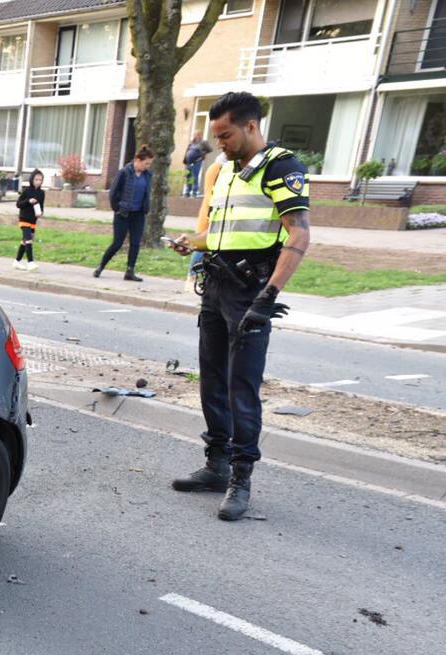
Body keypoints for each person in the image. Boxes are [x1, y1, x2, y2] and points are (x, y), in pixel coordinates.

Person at [169, 91, 311, 521]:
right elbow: (220, 233)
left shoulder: (282, 167)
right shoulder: (226, 171)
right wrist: (190, 242)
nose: (221, 144)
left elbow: (299, 236)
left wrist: (267, 299)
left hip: (249, 292)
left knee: (241, 387)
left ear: (250, 126)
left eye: (226, 135)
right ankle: (217, 464)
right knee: (211, 378)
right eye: (216, 136)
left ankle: (241, 478)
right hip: (215, 283)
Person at [95, 146, 154, 281]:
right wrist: (117, 208)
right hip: (123, 213)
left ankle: (129, 271)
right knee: (117, 243)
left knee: (135, 243)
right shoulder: (125, 172)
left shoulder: (147, 175)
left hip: (138, 214)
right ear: (138, 160)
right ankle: (101, 267)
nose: (148, 166)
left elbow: (146, 193)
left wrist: (146, 207)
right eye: (146, 163)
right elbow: (113, 192)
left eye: (149, 164)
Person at [14, 169, 46, 272]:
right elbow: (18, 204)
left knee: (24, 242)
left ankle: (17, 261)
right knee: (28, 240)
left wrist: (40, 213)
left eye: (40, 180)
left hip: (33, 221)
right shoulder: (27, 191)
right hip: (24, 219)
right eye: (36, 179)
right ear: (32, 179)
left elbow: (41, 207)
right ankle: (30, 262)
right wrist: (28, 201)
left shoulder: (42, 193)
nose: (38, 181)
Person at [182, 133, 210, 197]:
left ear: (199, 136)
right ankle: (187, 191)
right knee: (188, 176)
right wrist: (185, 159)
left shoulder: (202, 143)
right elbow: (187, 151)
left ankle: (194, 192)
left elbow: (209, 149)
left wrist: (203, 155)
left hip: (196, 162)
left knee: (194, 176)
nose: (194, 136)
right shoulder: (192, 142)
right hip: (188, 162)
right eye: (194, 135)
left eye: (196, 135)